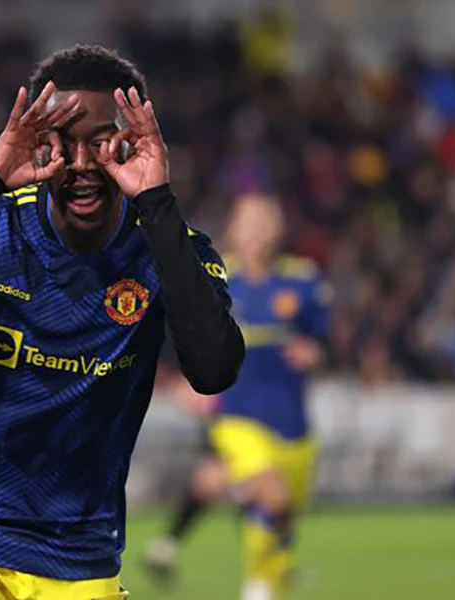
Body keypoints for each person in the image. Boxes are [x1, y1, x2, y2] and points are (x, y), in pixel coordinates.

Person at [0, 45, 245, 599]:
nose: (82, 163)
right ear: (36, 141)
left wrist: (156, 201)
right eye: (62, 140)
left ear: (134, 142)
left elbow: (215, 369)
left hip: (78, 550)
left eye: (102, 141)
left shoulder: (168, 247)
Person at [144, 193, 330, 600]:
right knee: (271, 494)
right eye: (251, 221)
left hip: (292, 422)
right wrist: (177, 379)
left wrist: (316, 353)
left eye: (266, 220)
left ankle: (266, 575)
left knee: (280, 513)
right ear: (234, 228)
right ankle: (257, 582)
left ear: (280, 228)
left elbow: (324, 340)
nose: (259, 230)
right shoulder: (215, 275)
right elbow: (172, 327)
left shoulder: (303, 279)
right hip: (236, 416)